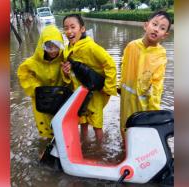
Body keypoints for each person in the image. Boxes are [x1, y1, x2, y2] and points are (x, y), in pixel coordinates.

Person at [61, 14, 117, 145]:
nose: (69, 31)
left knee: (97, 123)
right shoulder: (67, 50)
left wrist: (108, 88)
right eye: (66, 28)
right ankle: (85, 144)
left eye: (73, 27)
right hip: (79, 93)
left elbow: (110, 64)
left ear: (82, 29)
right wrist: (66, 72)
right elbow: (70, 76)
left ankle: (100, 149)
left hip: (94, 93)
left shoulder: (91, 47)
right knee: (82, 121)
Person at [119, 11, 171, 139]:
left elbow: (157, 84)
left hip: (144, 104)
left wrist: (154, 111)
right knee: (125, 129)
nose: (156, 29)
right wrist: (119, 85)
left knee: (141, 133)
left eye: (162, 28)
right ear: (146, 25)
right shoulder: (131, 46)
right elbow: (124, 66)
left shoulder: (160, 54)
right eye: (154, 24)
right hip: (127, 99)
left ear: (165, 35)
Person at [17, 25, 65, 139]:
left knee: (60, 126)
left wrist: (67, 74)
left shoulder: (65, 58)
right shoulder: (32, 62)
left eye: (56, 46)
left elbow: (72, 77)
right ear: (42, 45)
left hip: (59, 97)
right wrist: (37, 89)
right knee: (44, 127)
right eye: (49, 47)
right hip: (41, 99)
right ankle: (45, 145)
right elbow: (23, 74)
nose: (53, 51)